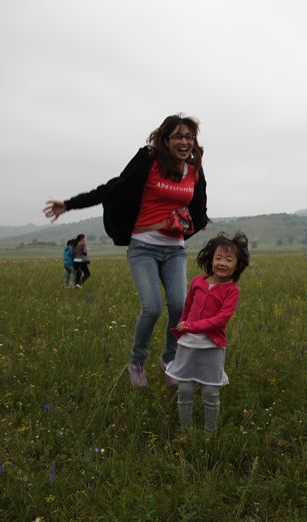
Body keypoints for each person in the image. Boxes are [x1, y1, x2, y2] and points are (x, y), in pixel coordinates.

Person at [43, 114, 209, 388]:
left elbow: (200, 211)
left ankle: (169, 361)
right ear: (166, 140)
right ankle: (136, 362)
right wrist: (70, 204)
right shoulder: (148, 161)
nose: (184, 141)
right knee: (153, 307)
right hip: (143, 247)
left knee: (180, 307)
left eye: (189, 137)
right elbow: (114, 187)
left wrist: (184, 227)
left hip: (175, 250)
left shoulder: (194, 171)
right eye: (178, 136)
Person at [165, 231, 249, 437]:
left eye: (229, 259)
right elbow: (187, 307)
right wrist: (180, 329)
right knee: (184, 390)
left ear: (237, 265)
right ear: (210, 259)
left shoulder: (232, 290)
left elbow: (221, 320)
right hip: (188, 344)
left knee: (210, 392)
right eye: (218, 257)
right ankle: (186, 433)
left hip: (212, 347)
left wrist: (191, 327)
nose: (222, 263)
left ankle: (208, 435)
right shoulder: (198, 282)